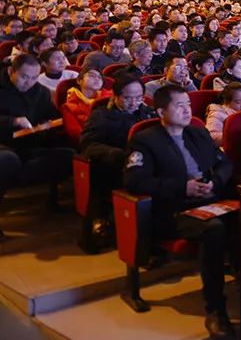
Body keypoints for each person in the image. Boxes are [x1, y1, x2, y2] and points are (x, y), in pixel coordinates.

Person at [124, 85, 237, 339]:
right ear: (161, 111)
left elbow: (224, 164)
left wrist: (215, 182)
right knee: (214, 229)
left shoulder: (197, 133)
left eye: (188, 104)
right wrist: (182, 187)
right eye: (179, 106)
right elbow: (135, 181)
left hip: (210, 199)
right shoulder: (145, 140)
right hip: (174, 211)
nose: (187, 110)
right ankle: (216, 310)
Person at [79, 74, 155, 246]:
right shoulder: (102, 115)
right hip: (116, 164)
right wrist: (117, 154)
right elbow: (88, 145)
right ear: (116, 96)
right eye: (128, 98)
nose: (134, 102)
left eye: (138, 97)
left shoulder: (147, 112)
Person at [0, 54, 73, 223]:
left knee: (67, 155)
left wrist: (47, 125)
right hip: (3, 144)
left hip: (28, 144)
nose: (29, 82)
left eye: (34, 78)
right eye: (24, 77)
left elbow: (51, 116)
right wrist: (13, 121)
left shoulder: (39, 91)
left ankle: (52, 200)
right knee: (7, 160)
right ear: (11, 71)